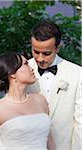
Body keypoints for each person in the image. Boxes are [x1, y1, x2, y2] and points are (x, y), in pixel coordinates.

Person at [27, 20, 82, 150]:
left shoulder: (78, 74)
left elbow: (80, 123)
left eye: (46, 53)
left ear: (57, 48)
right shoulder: (22, 70)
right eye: (35, 52)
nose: (40, 58)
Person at [0, 52, 54, 150]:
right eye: (26, 64)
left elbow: (49, 141)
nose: (32, 68)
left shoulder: (40, 100)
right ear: (12, 74)